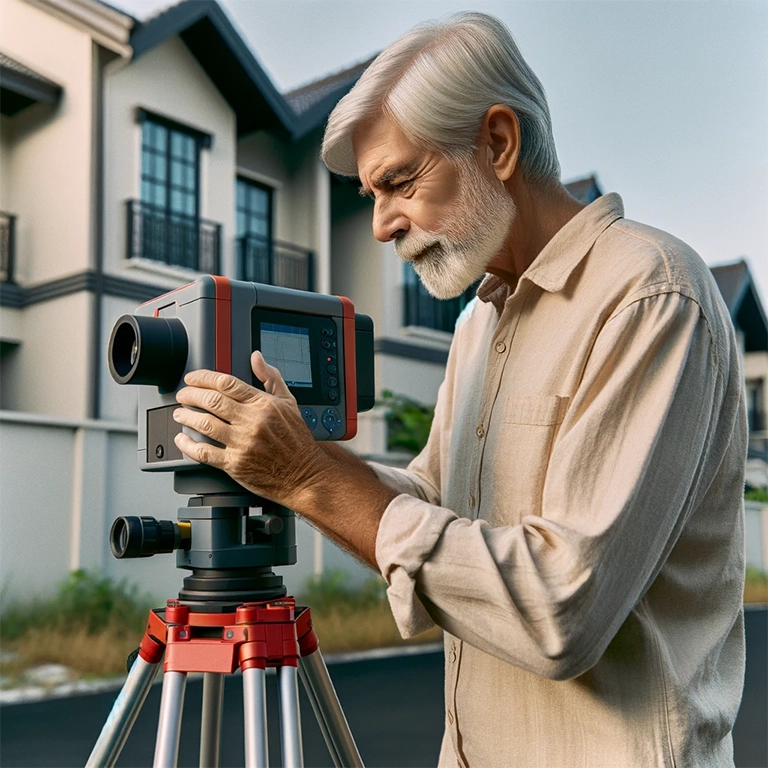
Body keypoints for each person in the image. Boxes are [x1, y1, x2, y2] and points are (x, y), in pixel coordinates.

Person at [171, 12, 747, 768]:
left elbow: (559, 608)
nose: (380, 226)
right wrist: (286, 464)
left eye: (399, 182)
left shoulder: (650, 297)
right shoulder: (481, 321)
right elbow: (428, 507)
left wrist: (312, 477)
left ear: (498, 143)